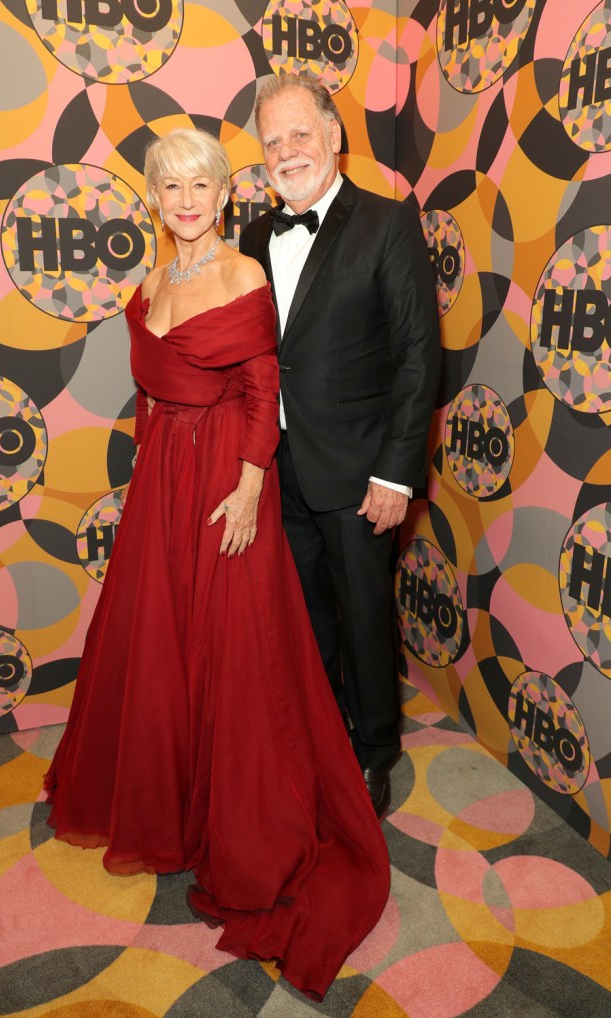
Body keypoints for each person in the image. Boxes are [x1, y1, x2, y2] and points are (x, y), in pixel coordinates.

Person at [44, 128, 390, 1002]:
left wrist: (246, 489)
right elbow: (155, 391)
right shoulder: (153, 283)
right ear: (155, 202)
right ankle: (167, 804)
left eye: (201, 184)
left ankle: (236, 819)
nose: (187, 199)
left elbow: (260, 388)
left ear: (220, 195)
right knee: (159, 643)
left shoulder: (242, 276)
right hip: (164, 472)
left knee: (230, 649)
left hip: (227, 478)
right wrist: (149, 471)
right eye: (172, 187)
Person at [240, 74, 441, 818]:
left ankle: (376, 752)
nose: (287, 151)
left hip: (361, 472)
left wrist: (396, 474)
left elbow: (420, 356)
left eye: (300, 134)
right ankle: (324, 737)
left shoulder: (387, 223)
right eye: (273, 141)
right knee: (305, 616)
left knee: (362, 614)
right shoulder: (256, 234)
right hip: (278, 467)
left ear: (334, 137)